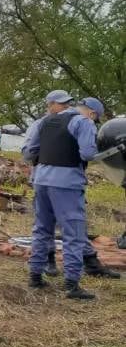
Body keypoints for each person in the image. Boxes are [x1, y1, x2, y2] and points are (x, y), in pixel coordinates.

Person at [23, 93, 119, 279]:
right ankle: (72, 283)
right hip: (66, 183)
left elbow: (29, 152)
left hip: (41, 180)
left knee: (42, 229)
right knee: (73, 232)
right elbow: (87, 154)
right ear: (92, 114)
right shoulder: (83, 122)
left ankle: (35, 276)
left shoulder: (44, 122)